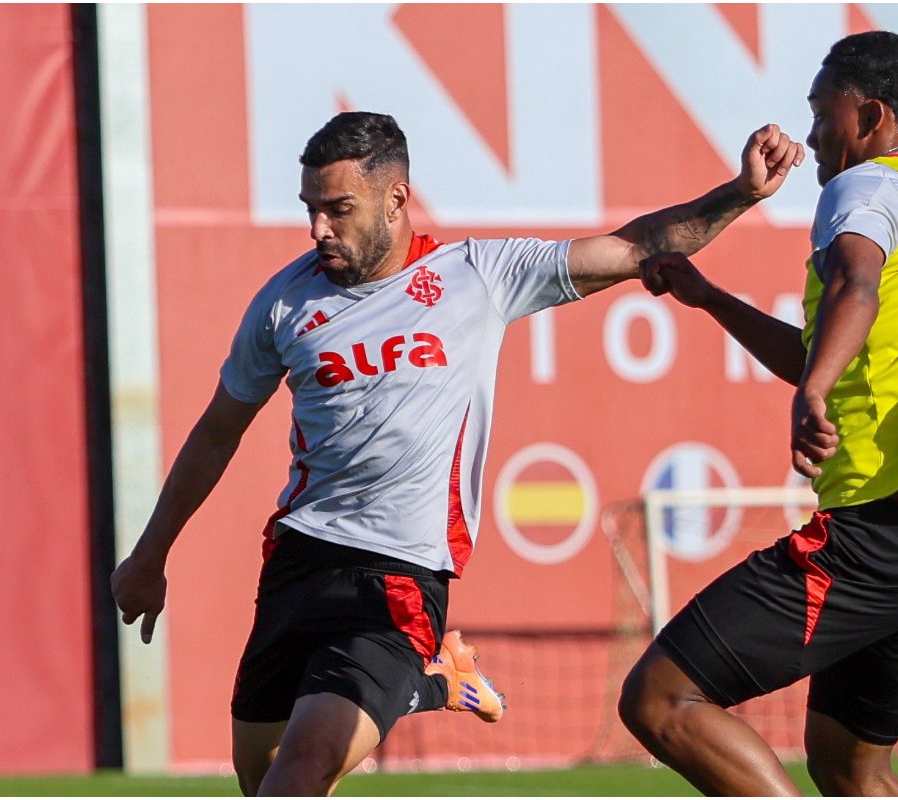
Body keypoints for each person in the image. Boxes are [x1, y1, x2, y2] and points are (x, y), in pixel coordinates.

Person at [110, 110, 803, 796]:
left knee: (299, 772)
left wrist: (739, 193)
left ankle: (417, 674)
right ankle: (439, 680)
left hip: (398, 577)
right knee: (258, 774)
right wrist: (149, 555)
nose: (319, 229)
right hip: (297, 560)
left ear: (397, 200)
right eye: (311, 209)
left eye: (339, 209)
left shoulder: (478, 276)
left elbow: (635, 247)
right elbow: (216, 431)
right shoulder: (284, 304)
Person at [618, 31, 898, 796]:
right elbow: (832, 341)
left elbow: (857, 284)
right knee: (852, 772)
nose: (814, 134)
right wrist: (713, 299)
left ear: (872, 115)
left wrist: (812, 394)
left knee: (661, 699)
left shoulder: (862, 186)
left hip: (877, 532)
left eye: (824, 114)